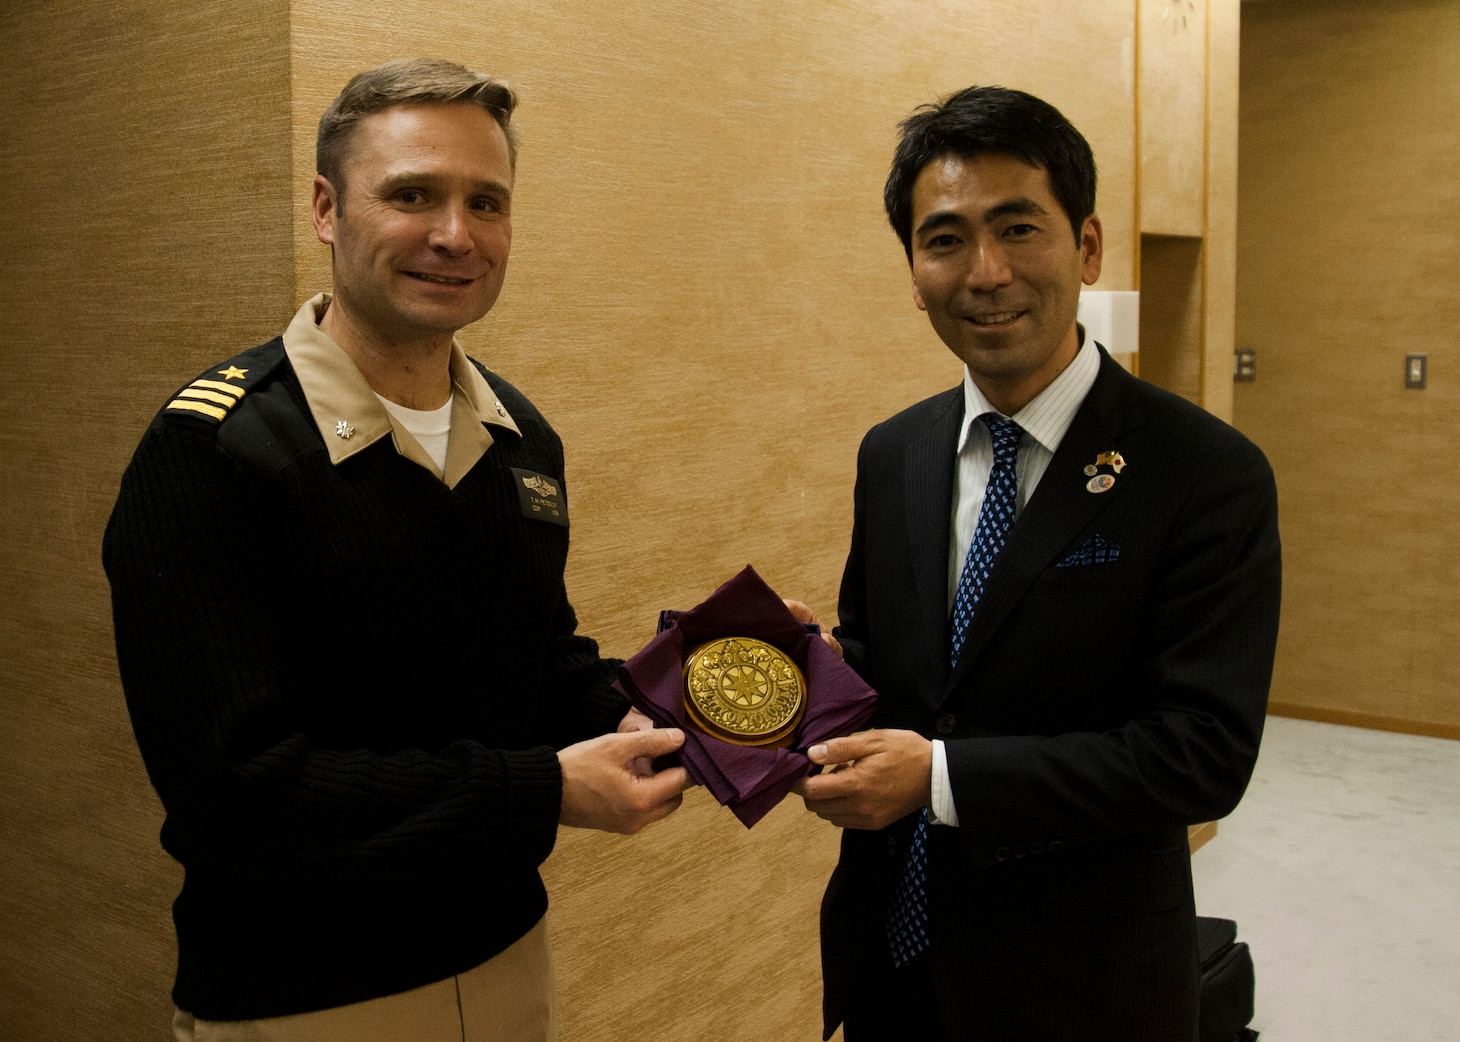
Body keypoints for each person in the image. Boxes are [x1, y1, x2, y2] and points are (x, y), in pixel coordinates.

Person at [103, 58, 689, 1042]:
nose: (455, 235)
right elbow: (235, 791)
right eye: (411, 194)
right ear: (328, 209)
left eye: (485, 202)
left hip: (507, 961)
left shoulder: (520, 442)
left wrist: (705, 688)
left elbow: (539, 670)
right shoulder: (212, 450)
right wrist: (545, 791)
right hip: (304, 999)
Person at [792, 86, 1281, 1041]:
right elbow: (896, 659)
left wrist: (939, 779)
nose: (985, 273)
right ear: (913, 266)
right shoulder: (894, 451)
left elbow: (1201, 753)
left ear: (1086, 246)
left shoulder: (1205, 473)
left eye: (1019, 228)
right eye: (944, 240)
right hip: (893, 957)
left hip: (1086, 985)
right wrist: (811, 669)